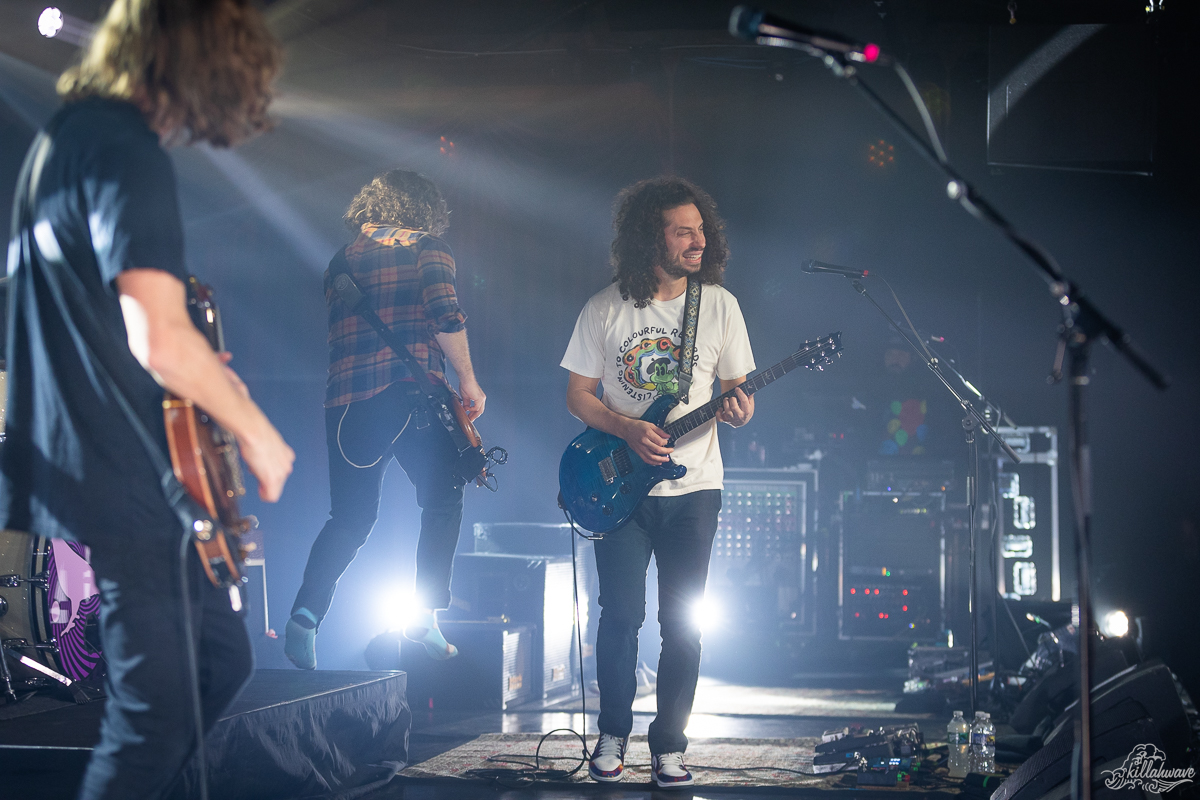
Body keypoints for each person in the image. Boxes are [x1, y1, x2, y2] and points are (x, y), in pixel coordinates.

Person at [1, 2, 294, 798]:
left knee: (221, 660)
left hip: (91, 456)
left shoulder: (67, 141)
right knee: (155, 718)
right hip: (124, 469)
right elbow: (158, 337)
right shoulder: (124, 148)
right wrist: (258, 432)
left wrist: (201, 372)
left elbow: (113, 322)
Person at [561, 177, 756, 788]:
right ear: (652, 237)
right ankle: (612, 734)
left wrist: (740, 408)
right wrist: (625, 429)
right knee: (620, 617)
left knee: (685, 625)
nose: (698, 240)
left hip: (696, 488)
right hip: (620, 491)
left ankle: (669, 745)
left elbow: (737, 394)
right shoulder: (604, 307)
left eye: (701, 229)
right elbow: (577, 397)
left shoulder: (719, 304)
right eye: (683, 230)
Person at [285, 170, 486, 668]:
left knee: (350, 518)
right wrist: (468, 381)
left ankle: (304, 617)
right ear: (423, 209)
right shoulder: (427, 247)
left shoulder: (341, 259)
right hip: (409, 396)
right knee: (443, 498)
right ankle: (423, 614)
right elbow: (445, 316)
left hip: (345, 404)